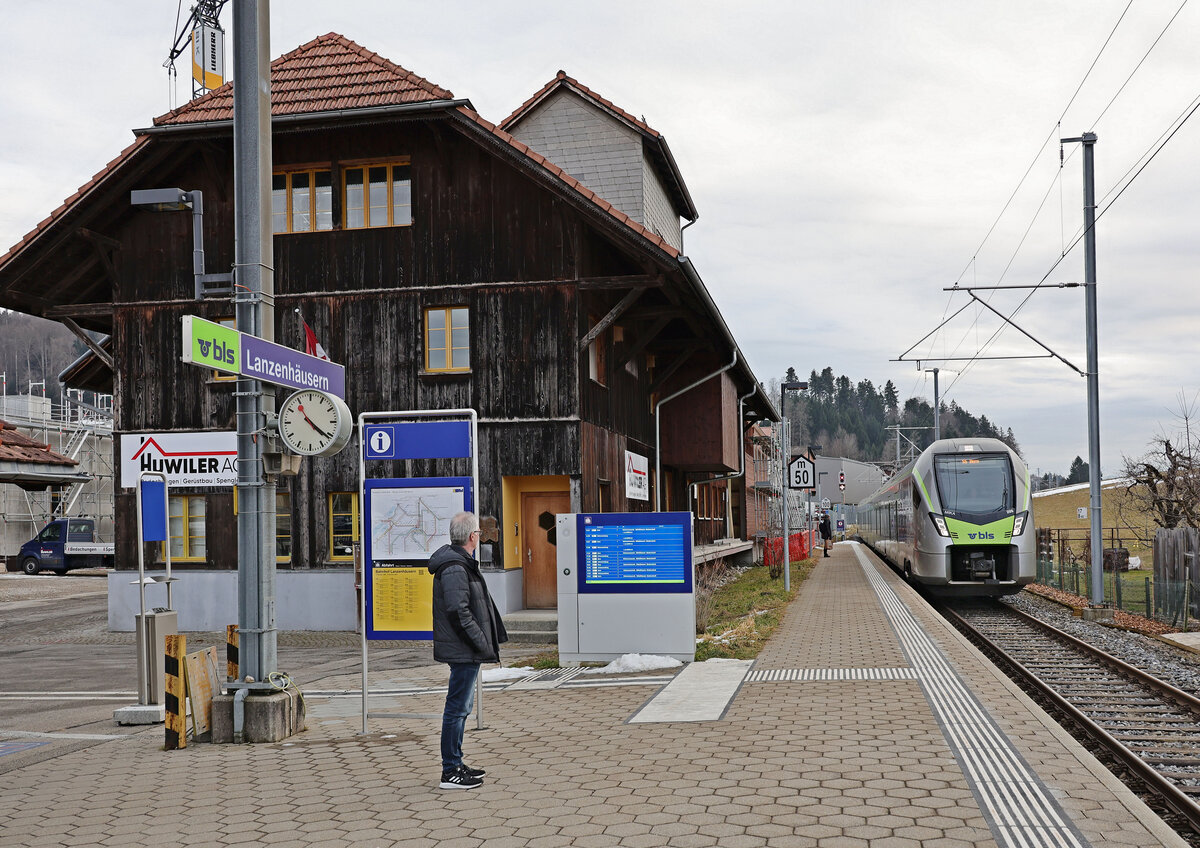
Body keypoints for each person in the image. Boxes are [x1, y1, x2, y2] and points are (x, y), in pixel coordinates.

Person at [429, 511, 508, 790]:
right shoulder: (455, 567)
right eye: (479, 532)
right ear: (473, 536)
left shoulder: (460, 563)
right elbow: (458, 611)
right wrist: (480, 641)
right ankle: (450, 770)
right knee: (456, 709)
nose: (480, 536)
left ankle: (456, 763)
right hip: (463, 649)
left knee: (462, 708)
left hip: (466, 649)